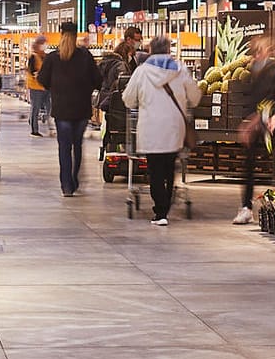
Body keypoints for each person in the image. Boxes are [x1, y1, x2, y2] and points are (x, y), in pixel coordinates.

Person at [122, 36, 201, 225]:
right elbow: (195, 97)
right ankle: (165, 206)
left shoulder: (141, 72)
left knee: (155, 170)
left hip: (151, 128)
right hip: (174, 128)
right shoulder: (180, 70)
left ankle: (161, 212)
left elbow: (128, 99)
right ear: (168, 51)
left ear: (150, 51)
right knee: (169, 167)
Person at [37, 20, 100, 197]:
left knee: (64, 148)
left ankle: (66, 185)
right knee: (77, 146)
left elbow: (42, 80)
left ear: (61, 34)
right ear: (76, 35)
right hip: (81, 109)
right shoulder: (85, 56)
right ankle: (74, 179)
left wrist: (56, 89)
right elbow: (98, 79)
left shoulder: (52, 58)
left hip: (61, 109)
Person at [232, 35, 275, 225]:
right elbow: (254, 98)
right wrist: (249, 120)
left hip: (272, 121)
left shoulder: (274, 68)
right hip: (257, 121)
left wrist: (274, 116)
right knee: (248, 165)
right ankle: (246, 207)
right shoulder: (254, 68)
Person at [97, 26, 144, 160]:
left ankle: (110, 148)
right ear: (128, 40)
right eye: (137, 40)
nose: (139, 42)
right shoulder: (121, 64)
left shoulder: (110, 60)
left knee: (111, 126)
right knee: (119, 125)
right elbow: (123, 83)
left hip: (109, 101)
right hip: (117, 101)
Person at [24, 37, 51, 137]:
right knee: (36, 108)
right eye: (43, 43)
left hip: (46, 86)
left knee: (49, 107)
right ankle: (34, 130)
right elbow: (32, 71)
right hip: (35, 86)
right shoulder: (33, 57)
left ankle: (50, 127)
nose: (45, 45)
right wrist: (39, 74)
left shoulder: (46, 56)